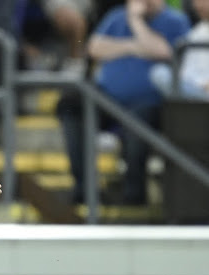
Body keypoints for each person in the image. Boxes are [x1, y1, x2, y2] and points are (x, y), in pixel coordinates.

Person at [56, 0, 190, 205]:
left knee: (139, 119)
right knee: (70, 106)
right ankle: (84, 190)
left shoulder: (175, 20)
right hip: (108, 98)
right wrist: (134, 46)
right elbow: (94, 47)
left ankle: (133, 195)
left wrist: (136, 21)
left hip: (150, 101)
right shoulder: (117, 16)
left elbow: (164, 51)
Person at [150, 0, 209, 101]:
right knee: (159, 73)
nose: (197, 5)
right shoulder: (198, 31)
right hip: (198, 94)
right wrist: (201, 85)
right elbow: (185, 74)